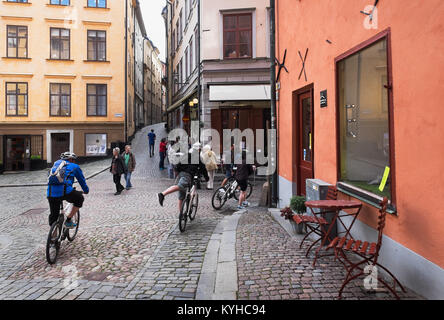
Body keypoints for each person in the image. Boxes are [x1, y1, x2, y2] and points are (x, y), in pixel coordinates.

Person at [157, 142, 209, 212]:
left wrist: (177, 171)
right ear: (199, 150)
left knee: (181, 196)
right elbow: (203, 168)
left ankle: (181, 215)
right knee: (181, 186)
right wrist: (207, 178)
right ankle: (163, 194)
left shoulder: (187, 154)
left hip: (181, 173)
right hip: (188, 174)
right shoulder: (197, 157)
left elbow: (179, 163)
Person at [47, 152, 89, 229]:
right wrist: (86, 190)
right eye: (74, 160)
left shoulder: (56, 164)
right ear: (70, 159)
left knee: (54, 215)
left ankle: (53, 237)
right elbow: (81, 180)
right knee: (79, 198)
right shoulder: (74, 166)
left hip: (50, 192)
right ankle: (68, 220)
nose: (74, 161)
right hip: (65, 192)